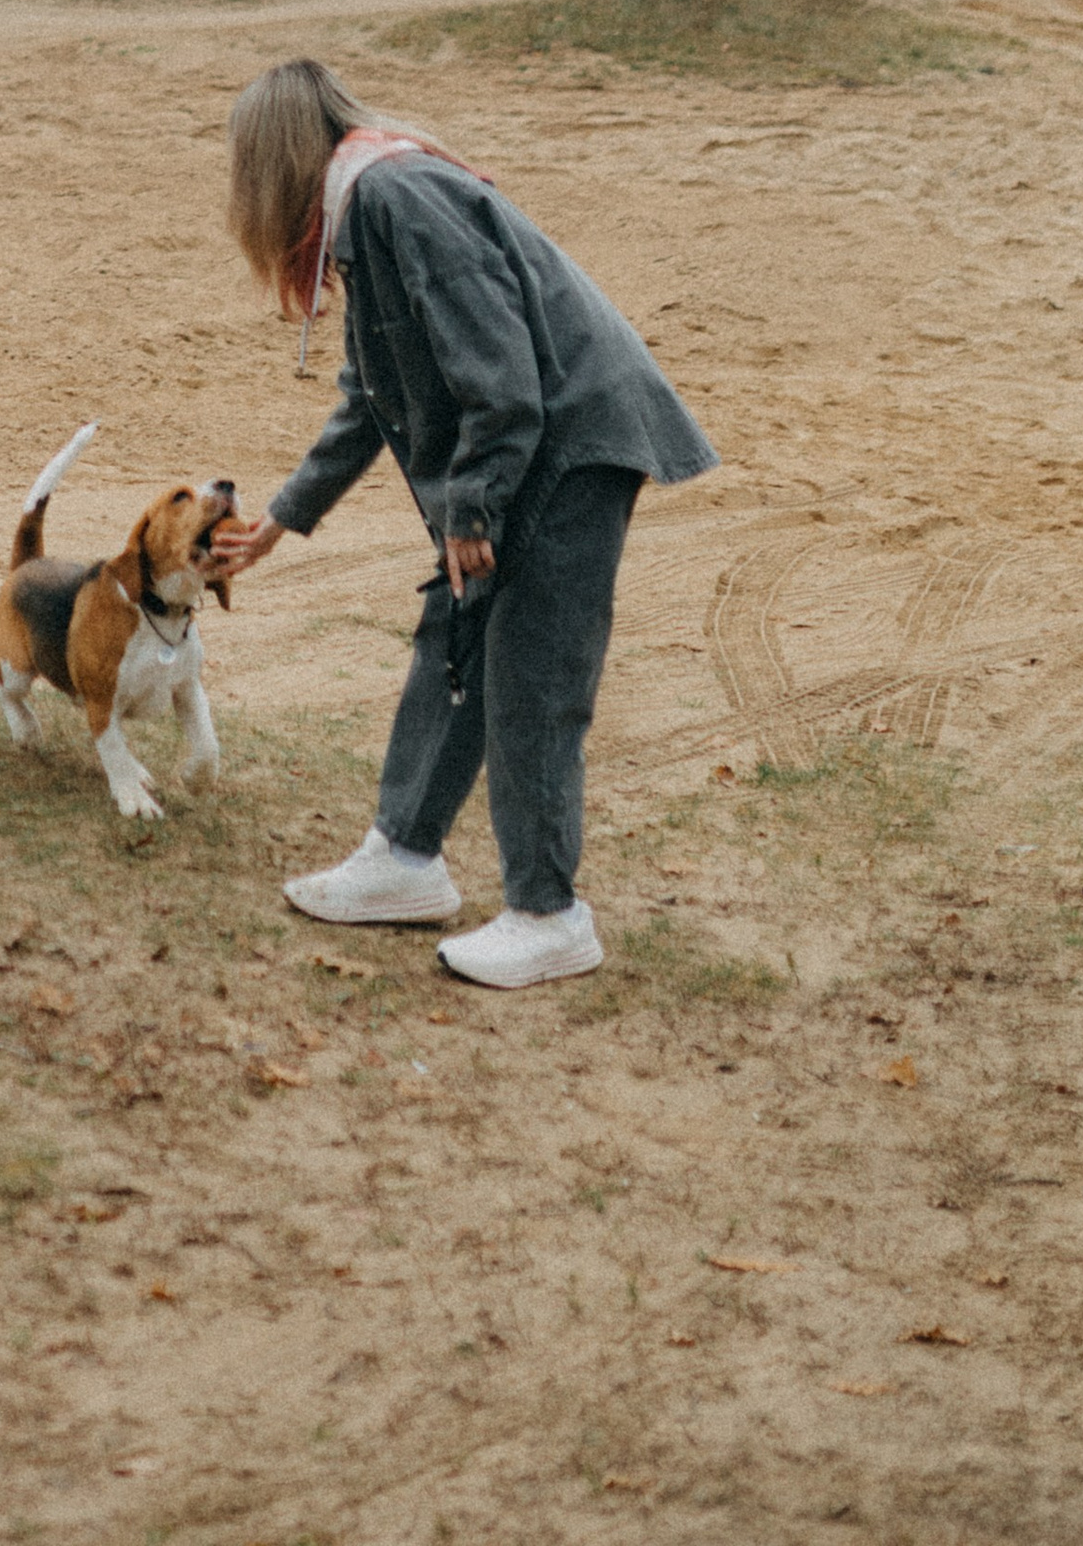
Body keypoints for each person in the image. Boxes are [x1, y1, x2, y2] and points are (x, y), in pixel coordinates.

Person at [211, 55, 713, 988]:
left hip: (571, 441)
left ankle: (548, 913)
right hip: (533, 439)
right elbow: (371, 395)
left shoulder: (397, 198)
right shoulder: (367, 209)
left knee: (530, 667)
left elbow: (503, 375)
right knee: (458, 630)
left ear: (274, 160)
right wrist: (281, 519)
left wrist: (472, 505)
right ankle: (405, 860)